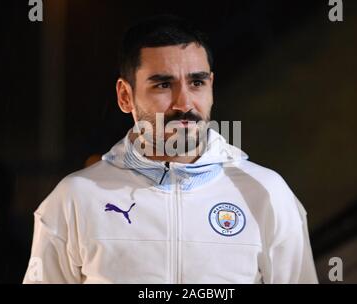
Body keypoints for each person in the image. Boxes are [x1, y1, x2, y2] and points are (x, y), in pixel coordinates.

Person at [23, 15, 318, 284]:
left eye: (197, 82)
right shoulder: (75, 198)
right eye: (163, 85)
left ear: (211, 86)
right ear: (125, 96)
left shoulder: (267, 193)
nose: (185, 104)